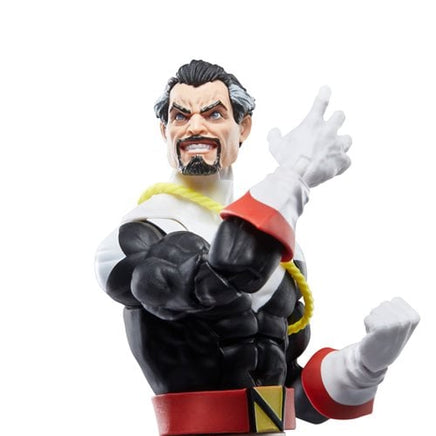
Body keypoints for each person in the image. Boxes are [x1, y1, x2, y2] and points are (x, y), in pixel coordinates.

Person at [95, 60, 419, 435]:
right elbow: (217, 280)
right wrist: (292, 176)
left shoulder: (279, 246)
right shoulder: (135, 237)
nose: (195, 127)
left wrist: (364, 364)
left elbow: (291, 392)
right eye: (180, 116)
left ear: (243, 127)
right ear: (164, 130)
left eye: (214, 114)